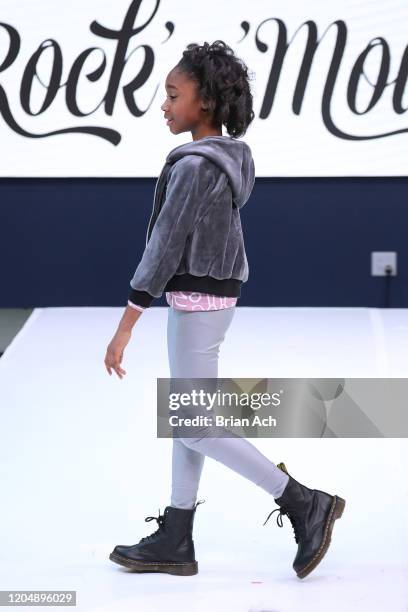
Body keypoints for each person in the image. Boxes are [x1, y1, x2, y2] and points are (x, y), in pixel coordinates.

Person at [104, 40, 345, 579]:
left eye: (172, 95)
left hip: (197, 302)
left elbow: (163, 247)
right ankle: (177, 532)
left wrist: (125, 326)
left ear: (205, 101)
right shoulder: (225, 160)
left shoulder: (194, 167)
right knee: (188, 419)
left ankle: (304, 502)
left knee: (194, 425)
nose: (164, 106)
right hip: (206, 299)